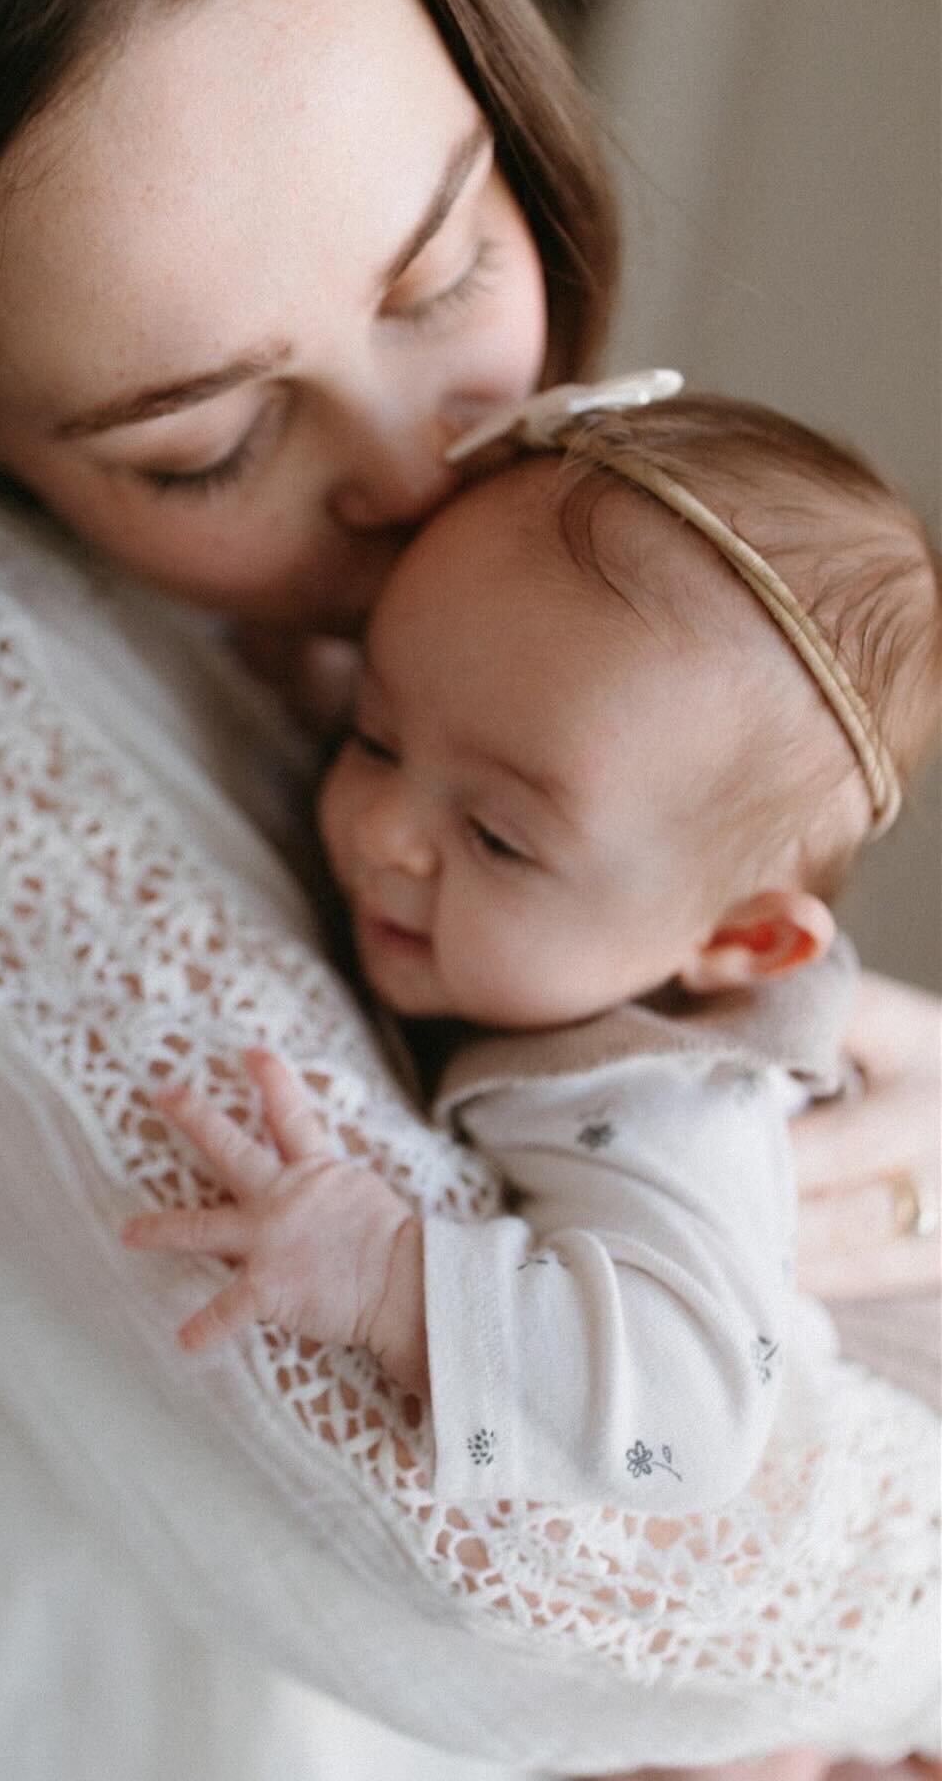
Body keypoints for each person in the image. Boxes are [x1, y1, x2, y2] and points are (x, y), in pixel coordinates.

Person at [0, 0, 937, 1777]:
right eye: (205, 443)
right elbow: (512, 1557)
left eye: (441, 276)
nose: (424, 465)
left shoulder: (484, 621)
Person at [123, 382, 942, 1518]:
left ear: (739, 941)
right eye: (374, 733)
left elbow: (692, 1428)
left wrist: (383, 1278)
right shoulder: (521, 844)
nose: (380, 829)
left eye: (499, 838)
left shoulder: (659, 1109)